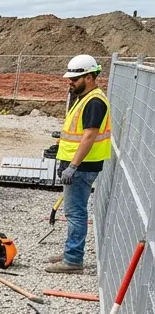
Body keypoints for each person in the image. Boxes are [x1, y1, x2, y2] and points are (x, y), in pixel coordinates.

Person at [46, 54, 110, 274]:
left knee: (75, 213)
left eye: (75, 79)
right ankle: (70, 253)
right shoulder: (85, 98)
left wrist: (72, 166)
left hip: (81, 167)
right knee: (73, 211)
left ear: (89, 77)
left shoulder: (94, 102)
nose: (70, 82)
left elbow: (89, 136)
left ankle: (73, 260)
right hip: (77, 165)